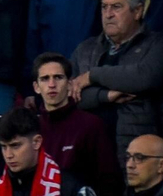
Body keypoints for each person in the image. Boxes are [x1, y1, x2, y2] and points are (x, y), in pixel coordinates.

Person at [70, 0, 163, 157]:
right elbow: (69, 95)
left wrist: (91, 76)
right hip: (89, 154)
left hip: (139, 156)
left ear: (138, 11)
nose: (108, 14)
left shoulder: (160, 45)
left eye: (116, 7)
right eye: (104, 7)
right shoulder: (85, 49)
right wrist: (106, 96)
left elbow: (144, 77)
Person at [28, 53, 116, 194]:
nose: (52, 84)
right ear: (36, 87)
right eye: (45, 79)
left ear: (69, 84)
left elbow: (108, 181)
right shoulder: (31, 129)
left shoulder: (91, 125)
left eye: (58, 77)